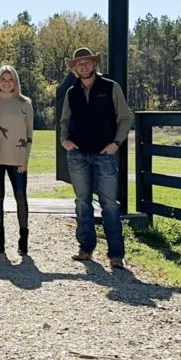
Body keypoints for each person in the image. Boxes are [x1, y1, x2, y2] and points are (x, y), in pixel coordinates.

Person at [59, 48, 133, 269]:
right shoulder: (72, 92)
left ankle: (116, 254)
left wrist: (116, 143)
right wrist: (64, 140)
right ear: (74, 68)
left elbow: (125, 117)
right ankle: (86, 249)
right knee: (82, 202)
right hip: (78, 155)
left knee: (109, 204)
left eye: (87, 62)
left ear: (94, 64)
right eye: (79, 64)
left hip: (104, 154)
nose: (83, 66)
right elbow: (65, 120)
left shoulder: (110, 87)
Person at [0, 65, 34, 255]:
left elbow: (29, 134)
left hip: (18, 158)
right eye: (3, 79)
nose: (7, 83)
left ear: (16, 82)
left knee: (20, 196)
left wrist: (25, 159)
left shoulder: (25, 103)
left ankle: (23, 238)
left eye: (10, 79)